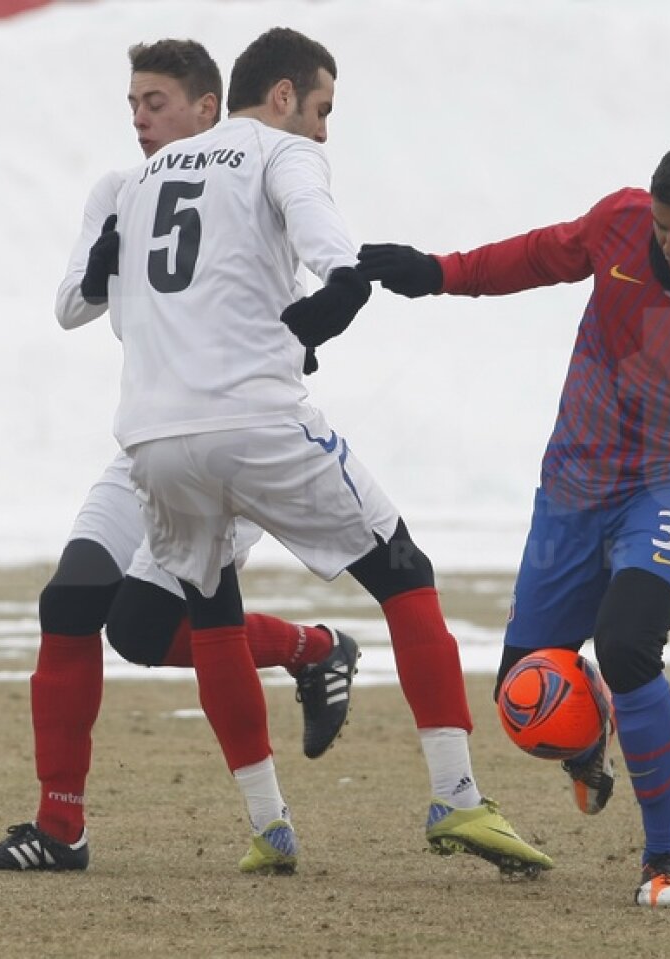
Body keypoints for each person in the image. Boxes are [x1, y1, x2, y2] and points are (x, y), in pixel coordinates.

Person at [108, 26, 552, 878]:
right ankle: (457, 799)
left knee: (212, 616)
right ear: (281, 97)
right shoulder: (280, 152)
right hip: (255, 420)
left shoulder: (144, 177)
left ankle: (269, 827)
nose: (322, 131)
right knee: (403, 568)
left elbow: (131, 303)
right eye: (321, 109)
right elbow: (325, 241)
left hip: (154, 437)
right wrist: (339, 291)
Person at [357, 136, 670, 906]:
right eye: (663, 228)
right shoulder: (620, 223)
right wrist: (438, 272)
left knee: (627, 643)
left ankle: (666, 858)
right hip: (576, 481)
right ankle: (590, 746)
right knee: (523, 694)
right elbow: (537, 256)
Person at [0, 38, 358, 874]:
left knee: (141, 628)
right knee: (70, 602)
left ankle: (314, 650)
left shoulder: (255, 168)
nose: (140, 119)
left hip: (230, 442)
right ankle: (59, 829)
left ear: (208, 107)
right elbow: (71, 305)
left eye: (156, 102)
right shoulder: (121, 188)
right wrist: (103, 267)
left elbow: (292, 277)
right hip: (144, 445)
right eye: (132, 104)